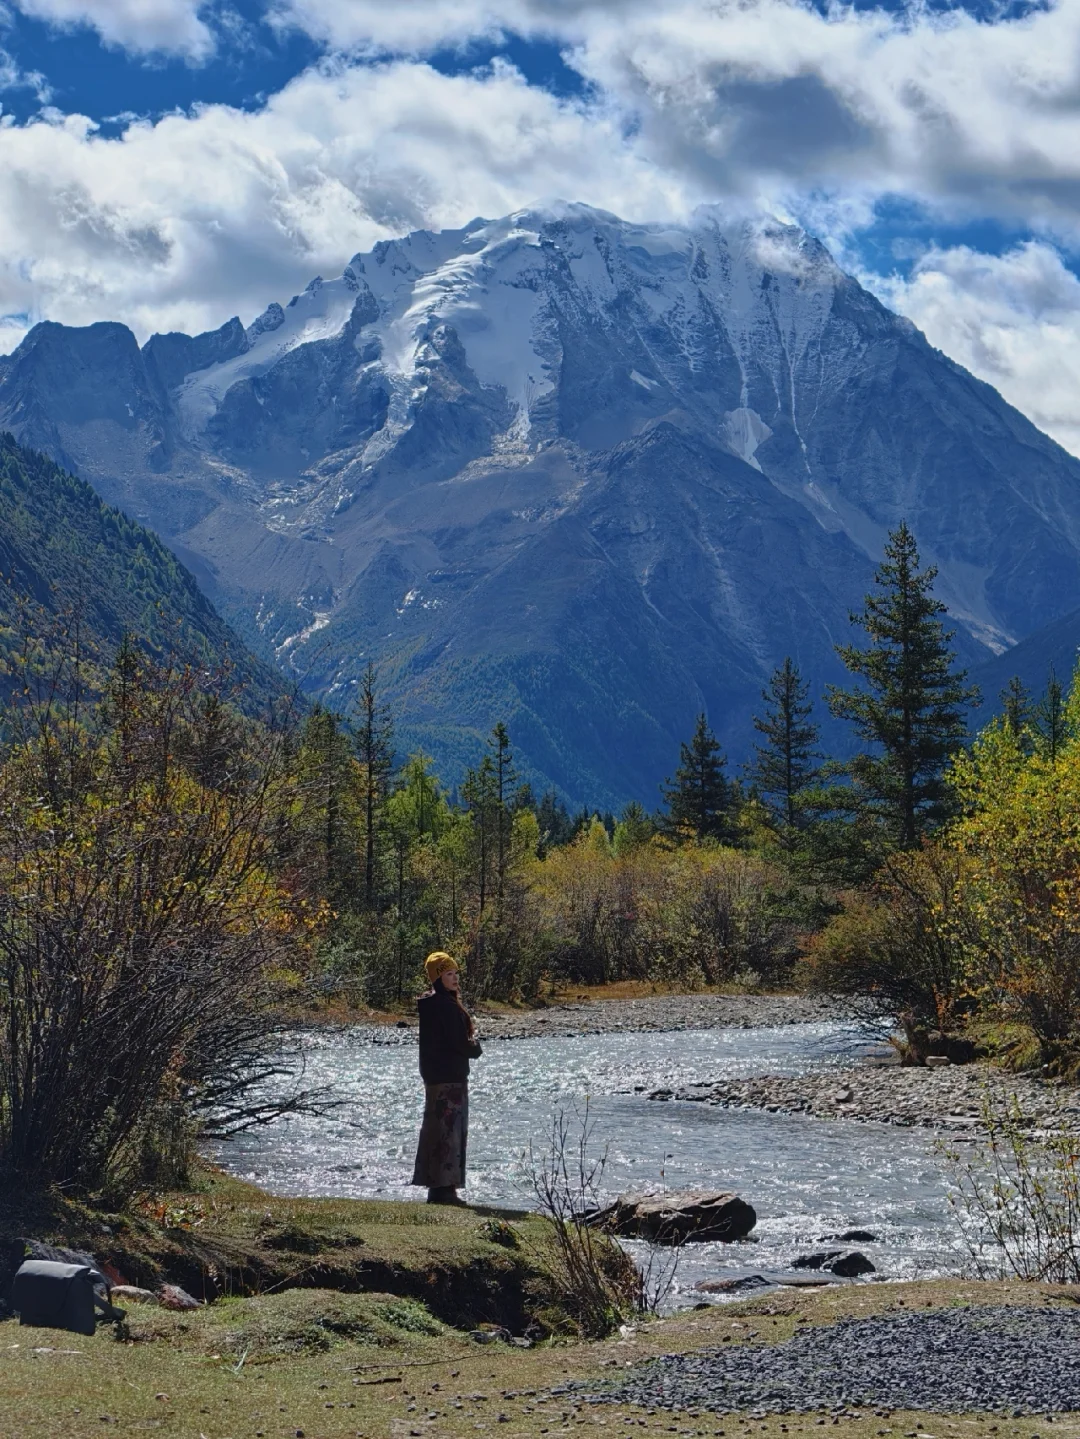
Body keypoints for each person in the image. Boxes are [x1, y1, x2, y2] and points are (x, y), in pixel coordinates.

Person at [411, 952, 482, 1204]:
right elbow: (459, 1044)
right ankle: (445, 1189)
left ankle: (439, 1188)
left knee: (437, 1130)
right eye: (448, 974)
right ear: (437, 978)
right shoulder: (445, 1006)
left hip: (435, 1078)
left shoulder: (432, 1005)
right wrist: (476, 1047)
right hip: (449, 1078)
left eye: (455, 973)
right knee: (451, 1133)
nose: (455, 979)